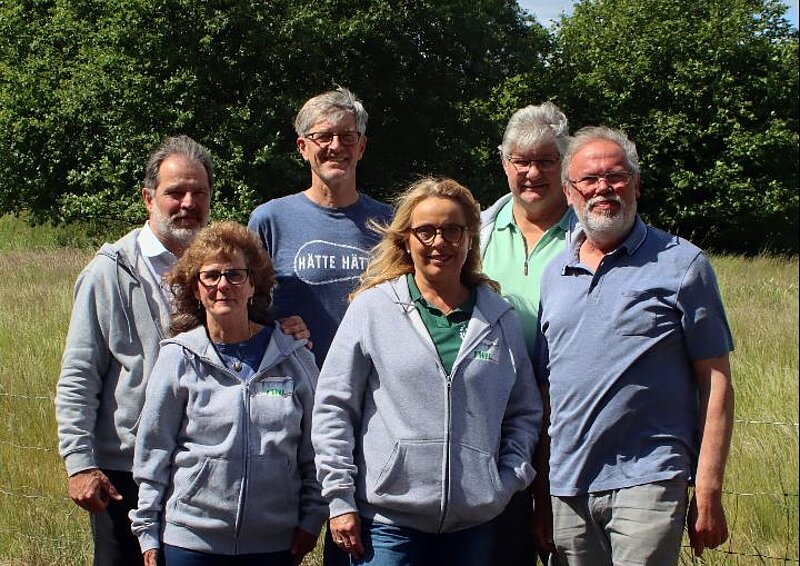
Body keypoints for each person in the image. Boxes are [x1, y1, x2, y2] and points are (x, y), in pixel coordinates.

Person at [55, 135, 308, 566]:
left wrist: (285, 327)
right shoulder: (110, 272)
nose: (188, 203)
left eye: (199, 192)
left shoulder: (227, 267)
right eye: (175, 192)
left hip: (207, 472)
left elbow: (252, 332)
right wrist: (79, 461)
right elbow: (80, 374)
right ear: (148, 197)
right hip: (127, 465)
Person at [312, 177, 543, 566]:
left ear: (470, 238)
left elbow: (524, 412)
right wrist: (339, 498)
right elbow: (334, 407)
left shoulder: (498, 316)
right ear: (406, 238)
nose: (439, 242)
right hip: (387, 522)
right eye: (426, 231)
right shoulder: (372, 310)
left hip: (475, 522)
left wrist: (504, 483)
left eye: (452, 230)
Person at [535, 126, 735, 565]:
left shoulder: (683, 264)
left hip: (649, 478)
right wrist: (543, 491)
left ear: (637, 184)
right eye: (588, 180)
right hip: (567, 487)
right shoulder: (554, 274)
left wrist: (707, 486)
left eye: (617, 176)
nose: (603, 188)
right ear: (569, 193)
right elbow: (549, 392)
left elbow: (716, 380)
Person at [130, 221, 326, 566]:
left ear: (253, 285)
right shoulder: (178, 356)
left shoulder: (294, 357)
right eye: (211, 275)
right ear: (196, 287)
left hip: (275, 544)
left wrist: (312, 517)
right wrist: (147, 530)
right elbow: (154, 448)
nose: (223, 285)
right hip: (191, 541)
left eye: (235, 275)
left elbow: (316, 447)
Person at [479, 102, 573, 565]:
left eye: (545, 161)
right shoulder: (477, 233)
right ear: (504, 163)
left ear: (566, 164)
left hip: (568, 419)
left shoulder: (589, 236)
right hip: (492, 421)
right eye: (521, 160)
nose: (531, 172)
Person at [248, 86, 393, 369]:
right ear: (303, 148)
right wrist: (272, 328)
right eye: (323, 137)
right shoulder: (269, 220)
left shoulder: (390, 223)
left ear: (361, 147)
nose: (336, 146)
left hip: (371, 386)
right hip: (294, 384)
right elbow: (243, 306)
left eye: (347, 137)